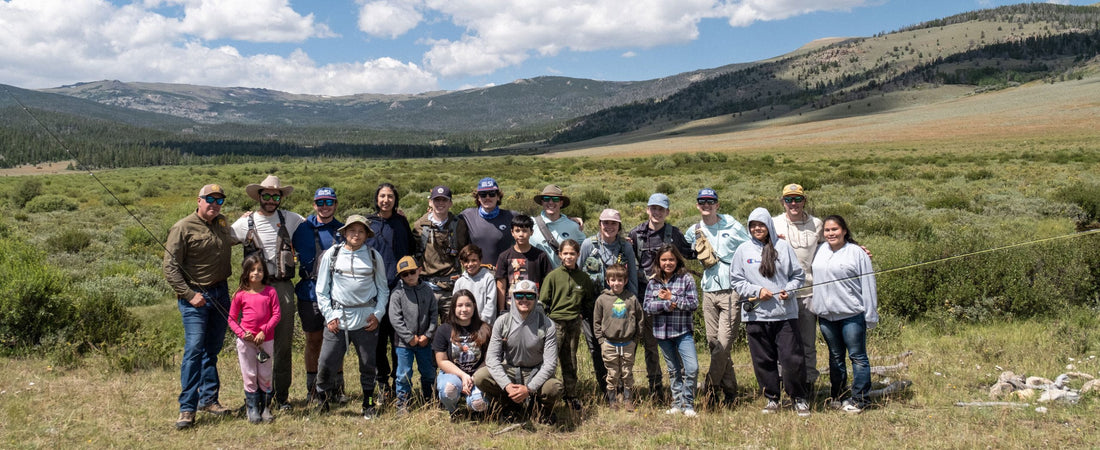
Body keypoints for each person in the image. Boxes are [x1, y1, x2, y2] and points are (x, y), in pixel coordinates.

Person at [164, 183, 237, 430]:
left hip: (220, 292)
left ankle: (209, 399)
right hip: (195, 296)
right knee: (194, 350)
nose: (214, 205)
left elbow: (229, 240)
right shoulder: (182, 227)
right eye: (210, 200)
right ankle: (187, 407)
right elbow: (170, 268)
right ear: (198, 200)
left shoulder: (223, 223)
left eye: (219, 201)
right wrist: (188, 294)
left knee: (212, 349)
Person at [231, 175, 305, 411]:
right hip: (255, 290)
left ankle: (281, 397)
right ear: (259, 197)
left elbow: (317, 222)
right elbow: (223, 238)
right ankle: (255, 398)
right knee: (252, 341)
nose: (271, 200)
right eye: (267, 195)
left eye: (276, 195)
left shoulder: (292, 219)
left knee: (282, 344)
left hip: (282, 287)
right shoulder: (245, 223)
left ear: (281, 198)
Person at [730, 207, 810, 416]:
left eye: (761, 224)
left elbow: (798, 276)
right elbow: (736, 280)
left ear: (768, 225)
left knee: (792, 359)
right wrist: (756, 291)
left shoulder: (783, 247)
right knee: (763, 359)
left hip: (785, 314)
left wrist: (790, 291)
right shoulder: (743, 250)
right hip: (756, 315)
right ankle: (772, 398)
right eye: (753, 225)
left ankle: (799, 398)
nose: (757, 228)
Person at [315, 215, 390, 419]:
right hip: (338, 318)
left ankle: (368, 403)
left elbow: (383, 290)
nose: (356, 235)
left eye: (361, 231)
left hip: (366, 319)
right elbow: (321, 290)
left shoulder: (374, 256)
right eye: (352, 230)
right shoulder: (332, 254)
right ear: (344, 233)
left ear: (367, 235)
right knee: (326, 362)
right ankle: (321, 400)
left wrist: (378, 314)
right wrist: (329, 316)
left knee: (368, 364)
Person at [683, 188, 749, 405]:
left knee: (723, 343)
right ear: (697, 205)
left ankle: (710, 390)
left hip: (731, 290)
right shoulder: (693, 231)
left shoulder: (733, 226)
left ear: (718, 205)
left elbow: (751, 248)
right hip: (709, 290)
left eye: (711, 201)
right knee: (714, 344)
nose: (706, 205)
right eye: (702, 201)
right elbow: (681, 250)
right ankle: (730, 393)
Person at [810, 215, 878, 414]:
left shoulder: (857, 253)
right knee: (835, 357)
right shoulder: (820, 250)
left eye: (835, 230)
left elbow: (869, 284)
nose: (831, 233)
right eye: (827, 230)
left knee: (857, 357)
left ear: (844, 231)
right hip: (826, 316)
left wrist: (870, 314)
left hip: (851, 314)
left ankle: (860, 399)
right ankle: (838, 395)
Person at [627, 193, 693, 397]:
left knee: (677, 341)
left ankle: (681, 388)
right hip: (643, 296)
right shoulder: (636, 234)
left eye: (661, 209)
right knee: (650, 344)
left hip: (672, 297)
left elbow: (690, 253)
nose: (656, 212)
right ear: (648, 210)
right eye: (653, 208)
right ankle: (656, 388)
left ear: (667, 212)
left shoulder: (674, 233)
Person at [473, 279, 564, 424]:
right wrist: (508, 386)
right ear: (513, 298)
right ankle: (509, 405)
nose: (524, 300)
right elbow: (491, 359)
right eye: (519, 295)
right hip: (510, 370)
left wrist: (529, 389)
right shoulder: (502, 322)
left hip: (535, 371)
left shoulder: (547, 324)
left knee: (553, 387)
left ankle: (541, 409)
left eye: (529, 296)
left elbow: (550, 364)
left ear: (536, 298)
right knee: (480, 377)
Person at [291, 187, 345, 406]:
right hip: (310, 292)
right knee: (313, 340)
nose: (325, 206)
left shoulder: (343, 229)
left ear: (335, 204)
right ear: (314, 204)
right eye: (320, 202)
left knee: (336, 340)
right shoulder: (301, 228)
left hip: (337, 293)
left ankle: (337, 387)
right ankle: (313, 388)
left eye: (329, 202)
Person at [367, 182, 417, 398]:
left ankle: (400, 383)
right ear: (376, 199)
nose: (385, 200)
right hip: (375, 291)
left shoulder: (401, 223)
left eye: (390, 196)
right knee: (378, 339)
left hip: (399, 289)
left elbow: (410, 251)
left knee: (399, 338)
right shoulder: (368, 223)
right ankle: (382, 383)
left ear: (395, 199)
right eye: (382, 196)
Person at [539, 239, 599, 410]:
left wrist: (582, 314)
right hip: (554, 323)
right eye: (565, 253)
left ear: (578, 255)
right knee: (549, 361)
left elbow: (588, 301)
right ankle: (543, 395)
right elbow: (543, 302)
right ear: (559, 255)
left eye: (572, 253)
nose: (569, 257)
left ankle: (571, 395)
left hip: (573, 323)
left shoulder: (584, 278)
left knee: (570, 361)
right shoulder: (553, 276)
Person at [643, 244, 700, 418]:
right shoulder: (653, 282)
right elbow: (647, 306)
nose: (668, 263)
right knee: (673, 370)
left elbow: (693, 304)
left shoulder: (686, 279)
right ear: (658, 262)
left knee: (692, 368)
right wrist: (667, 305)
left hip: (683, 331)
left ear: (677, 260)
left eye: (671, 259)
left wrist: (672, 297)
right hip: (662, 333)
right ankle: (677, 403)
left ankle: (688, 403)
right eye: (664, 260)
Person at [228, 254, 281, 424]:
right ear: (246, 272)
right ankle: (252, 408)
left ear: (264, 272)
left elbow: (276, 315)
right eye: (252, 270)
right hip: (246, 342)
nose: (256, 273)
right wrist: (242, 333)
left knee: (265, 373)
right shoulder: (240, 295)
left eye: (259, 270)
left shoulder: (270, 292)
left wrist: (264, 331)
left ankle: (266, 407)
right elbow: (231, 319)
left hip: (265, 340)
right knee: (249, 373)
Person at [388, 256, 439, 416]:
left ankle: (429, 398)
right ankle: (403, 403)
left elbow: (433, 314)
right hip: (404, 343)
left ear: (419, 270)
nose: (409, 276)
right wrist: (409, 337)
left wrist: (428, 335)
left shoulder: (427, 290)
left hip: (424, 341)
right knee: (403, 373)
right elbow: (395, 318)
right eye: (404, 274)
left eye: (412, 272)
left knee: (428, 371)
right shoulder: (397, 293)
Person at [592, 264, 644, 411]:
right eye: (613, 280)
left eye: (620, 280)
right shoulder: (602, 299)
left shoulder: (631, 298)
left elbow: (640, 319)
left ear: (625, 280)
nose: (616, 283)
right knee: (612, 373)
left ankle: (628, 399)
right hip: (609, 343)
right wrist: (601, 341)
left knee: (627, 372)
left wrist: (636, 339)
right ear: (608, 281)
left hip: (628, 343)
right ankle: (612, 400)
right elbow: (596, 321)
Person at [433, 289, 491, 416]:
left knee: (479, 404)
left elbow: (489, 360)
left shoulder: (485, 328)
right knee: (449, 390)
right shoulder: (444, 329)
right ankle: (453, 410)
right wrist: (463, 376)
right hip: (453, 374)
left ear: (474, 307)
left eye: (468, 305)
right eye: (459, 305)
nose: (464, 309)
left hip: (477, 374)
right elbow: (441, 360)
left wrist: (473, 378)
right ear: (453, 308)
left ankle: (475, 409)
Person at [413, 185, 462, 320]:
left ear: (450, 203)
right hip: (427, 287)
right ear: (430, 202)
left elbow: (465, 251)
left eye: (444, 200)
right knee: (427, 331)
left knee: (452, 330)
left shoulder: (459, 225)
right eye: (437, 200)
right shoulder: (419, 226)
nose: (440, 203)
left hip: (451, 289)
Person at [494, 214, 552, 314]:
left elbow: (547, 282)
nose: (521, 234)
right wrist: (501, 310)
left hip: (535, 307)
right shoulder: (504, 256)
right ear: (512, 232)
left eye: (525, 231)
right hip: (511, 308)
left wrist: (543, 305)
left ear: (531, 232)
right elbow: (501, 286)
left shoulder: (540, 255)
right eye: (517, 231)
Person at [456, 177, 516, 266]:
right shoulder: (467, 215)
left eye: (492, 194)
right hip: (476, 274)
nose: (487, 198)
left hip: (503, 274)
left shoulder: (511, 216)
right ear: (478, 198)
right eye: (483, 194)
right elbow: (446, 222)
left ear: (498, 196)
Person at [580, 208, 638, 297]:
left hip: (619, 301)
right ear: (600, 224)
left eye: (614, 223)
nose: (609, 226)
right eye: (606, 222)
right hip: (592, 300)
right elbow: (578, 272)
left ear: (619, 226)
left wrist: (633, 301)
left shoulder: (626, 247)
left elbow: (632, 277)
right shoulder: (588, 244)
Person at [529, 184, 586, 268]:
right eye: (546, 199)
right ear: (542, 202)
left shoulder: (573, 226)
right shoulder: (530, 224)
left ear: (561, 203)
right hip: (538, 277)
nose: (551, 202)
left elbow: (585, 249)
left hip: (564, 278)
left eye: (555, 199)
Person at [452, 244, 498, 324]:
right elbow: (455, 304)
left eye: (474, 260)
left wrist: (482, 323)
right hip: (464, 325)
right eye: (466, 261)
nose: (470, 264)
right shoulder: (460, 282)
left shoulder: (488, 278)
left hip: (484, 325)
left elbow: (491, 304)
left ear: (480, 260)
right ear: (462, 263)